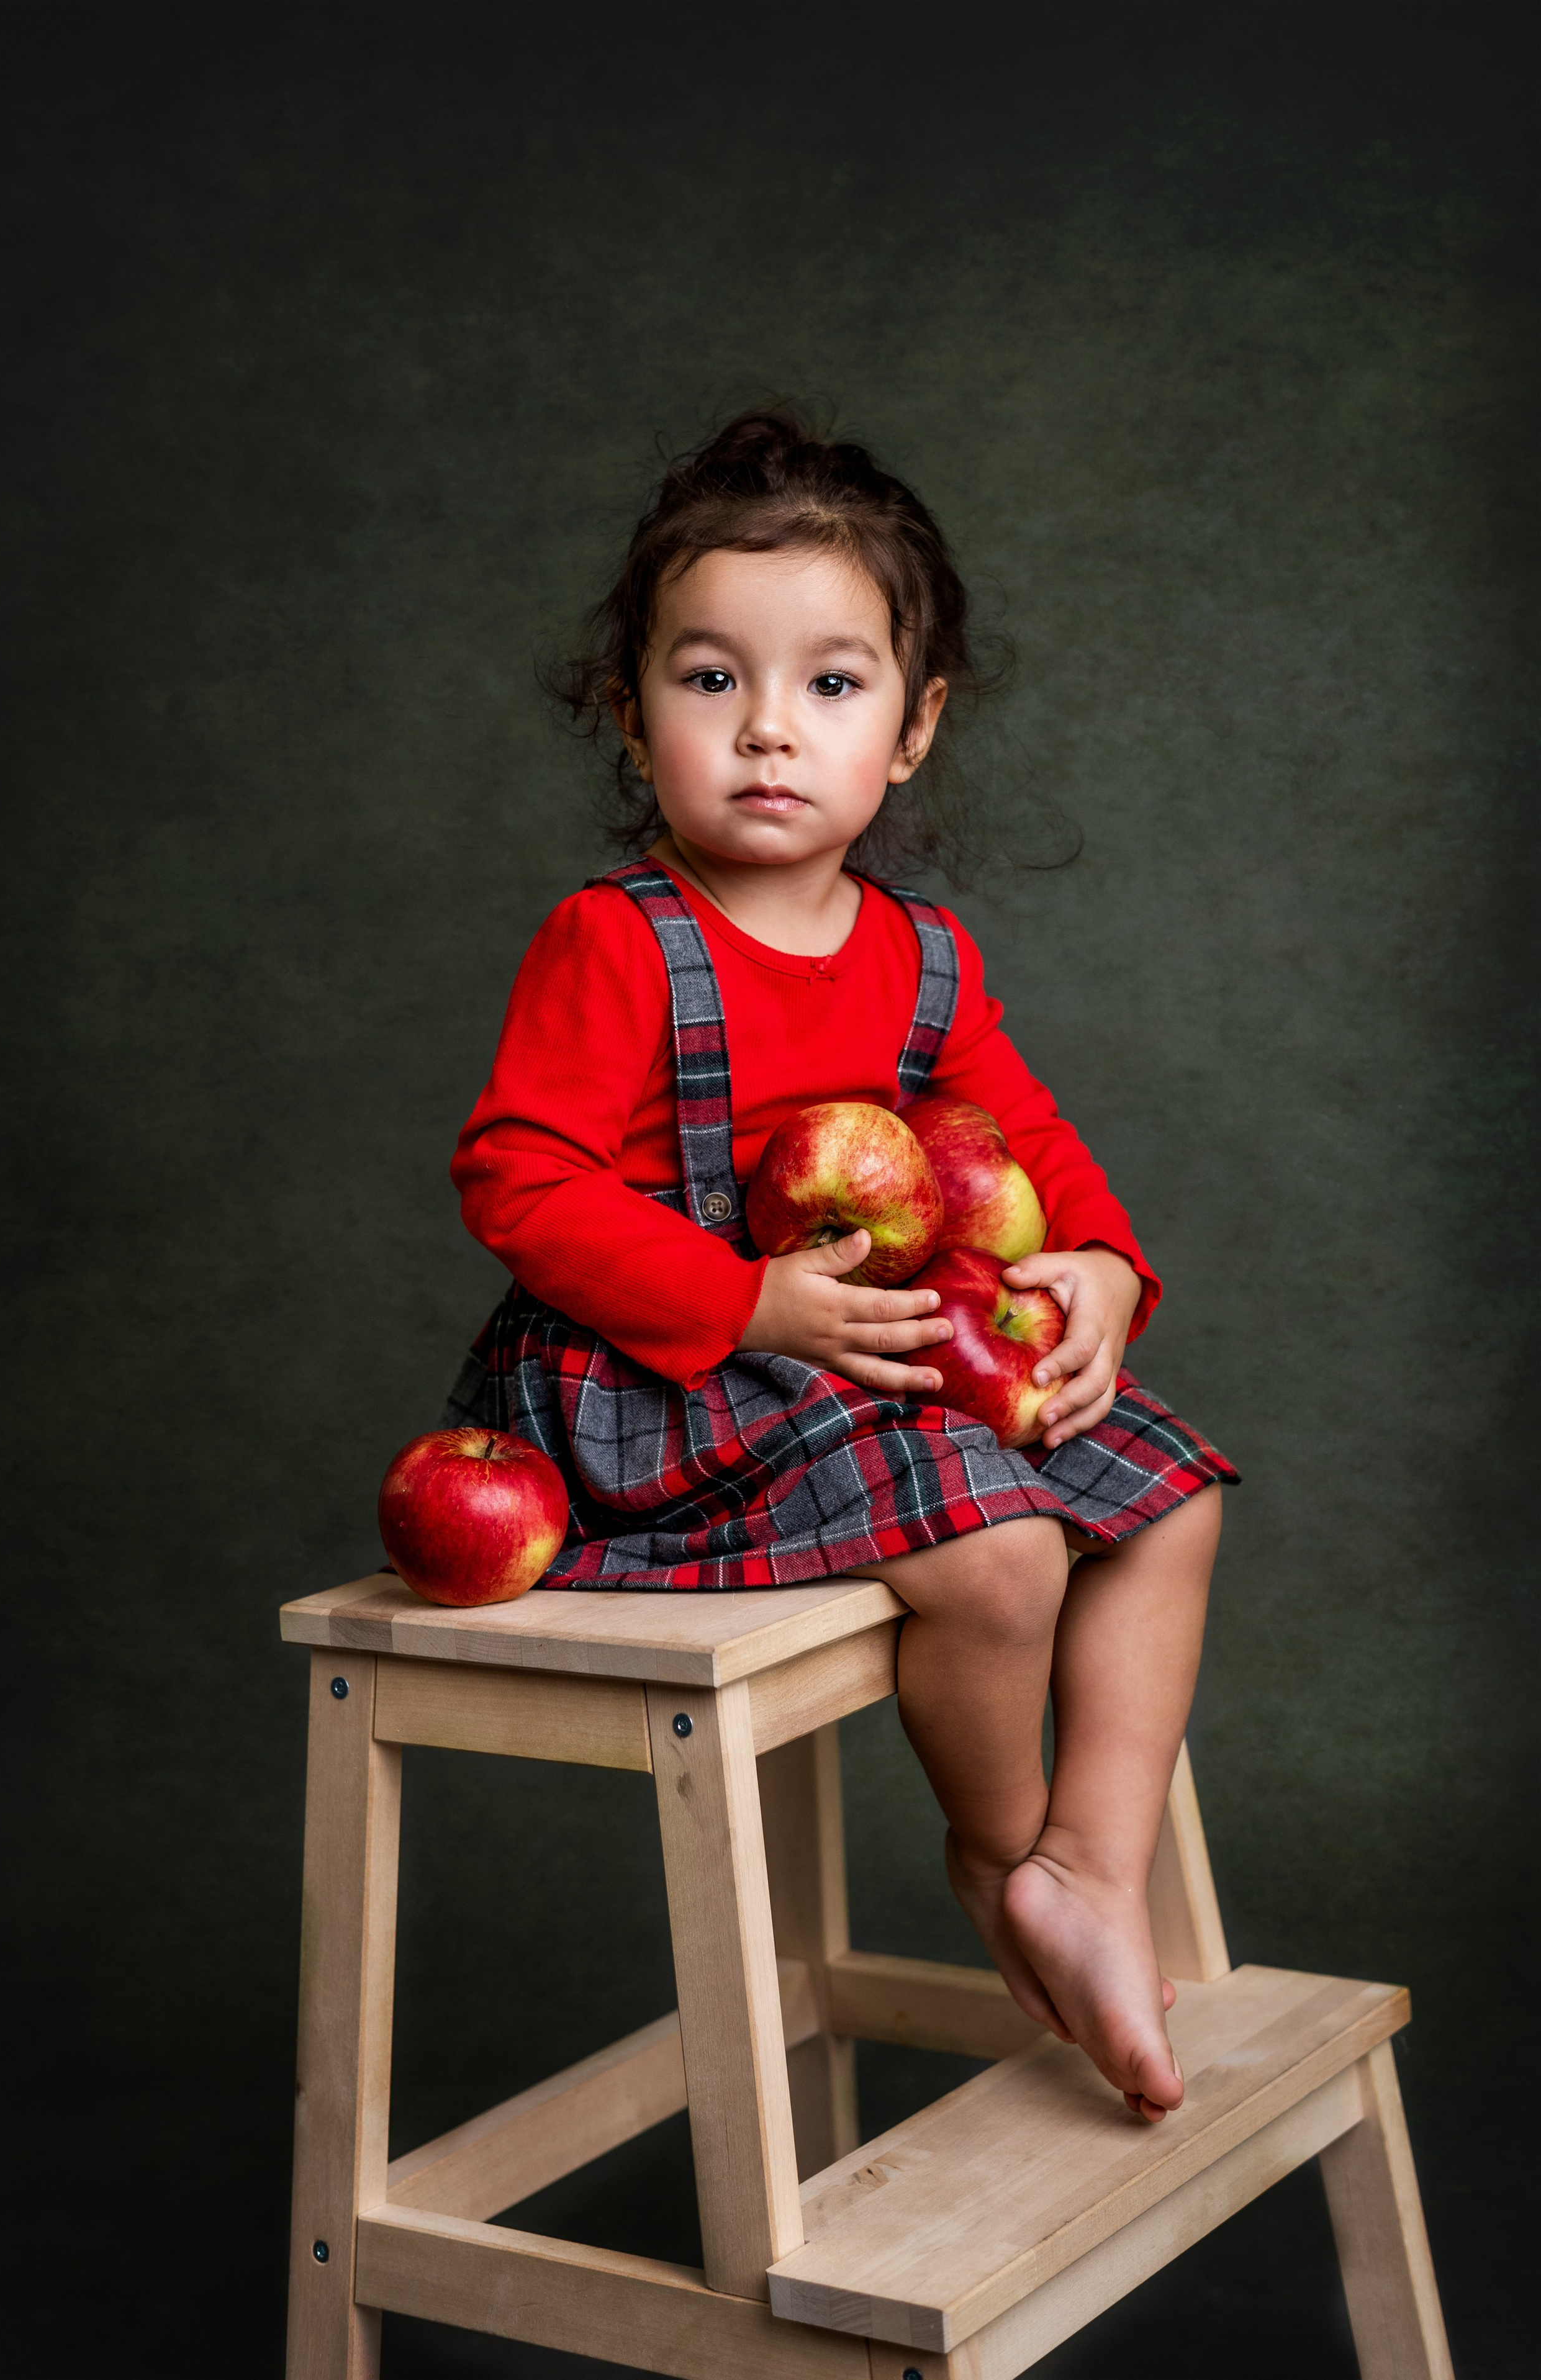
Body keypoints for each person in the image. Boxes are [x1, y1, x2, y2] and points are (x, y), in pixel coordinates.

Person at [446, 408, 1236, 2123]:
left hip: (857, 1359)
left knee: (1170, 1497)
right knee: (1007, 1549)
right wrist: (746, 1301)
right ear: (631, 706)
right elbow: (517, 1177)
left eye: (831, 683)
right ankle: (995, 1843)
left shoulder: (920, 958)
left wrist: (1101, 1263)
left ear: (915, 725)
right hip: (659, 1375)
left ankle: (1088, 1866)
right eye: (712, 679)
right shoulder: (619, 940)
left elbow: (1031, 1148)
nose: (766, 734)